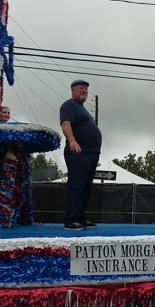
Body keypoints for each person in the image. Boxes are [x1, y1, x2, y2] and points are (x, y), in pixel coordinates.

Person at [60, 80, 101, 230]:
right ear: (73, 90)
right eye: (81, 88)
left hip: (91, 153)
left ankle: (80, 217)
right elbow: (65, 123)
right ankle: (71, 220)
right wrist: (72, 140)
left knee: (85, 187)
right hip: (78, 151)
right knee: (77, 185)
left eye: (86, 89)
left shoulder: (82, 109)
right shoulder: (69, 105)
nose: (84, 90)